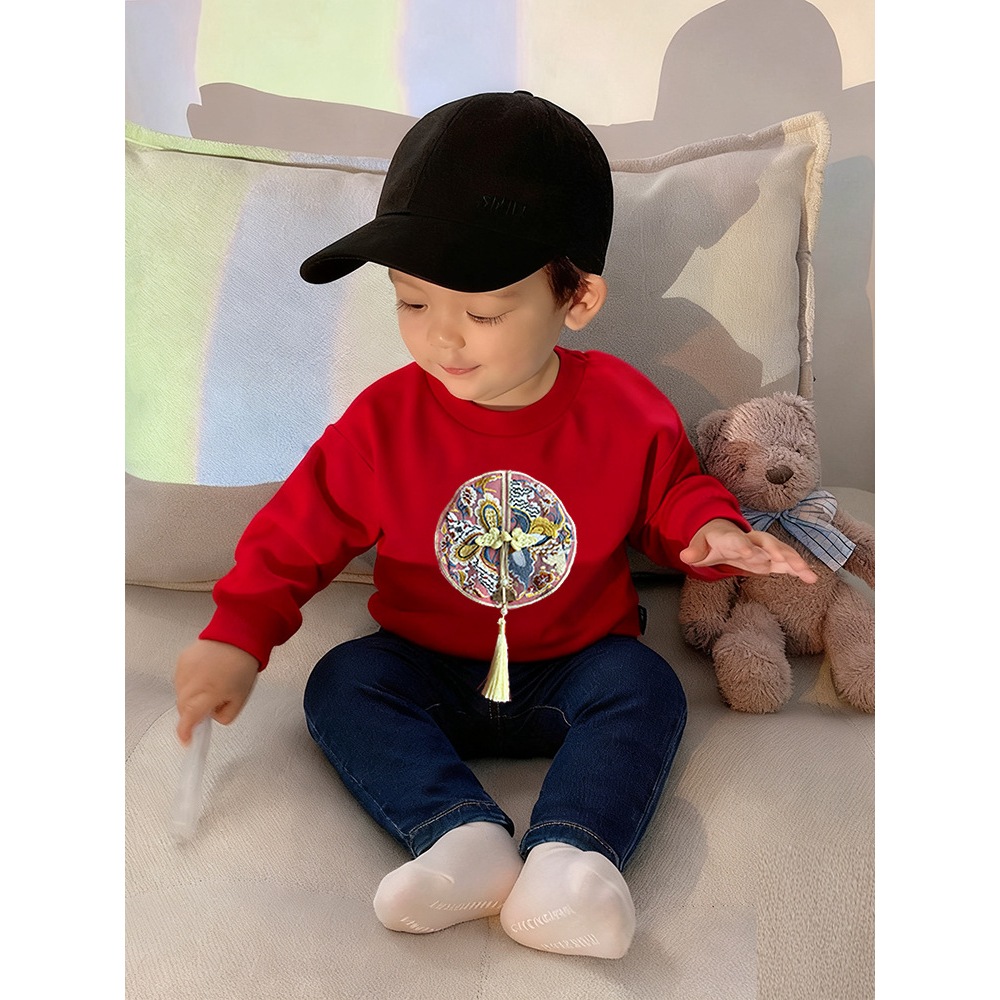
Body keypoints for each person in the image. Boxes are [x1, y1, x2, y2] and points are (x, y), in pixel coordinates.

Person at [173, 91, 817, 960]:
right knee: (341, 682)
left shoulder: (623, 407)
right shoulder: (384, 423)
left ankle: (572, 858)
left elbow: (672, 492)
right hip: (425, 664)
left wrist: (710, 534)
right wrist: (236, 634)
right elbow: (298, 531)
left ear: (577, 298)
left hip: (577, 662)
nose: (442, 340)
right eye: (411, 303)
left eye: (480, 314)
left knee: (647, 687)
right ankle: (458, 837)